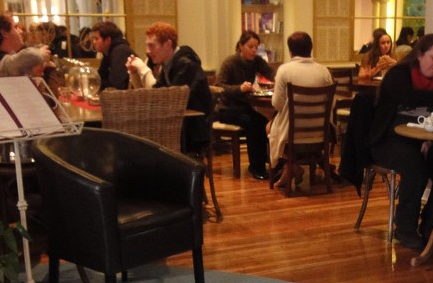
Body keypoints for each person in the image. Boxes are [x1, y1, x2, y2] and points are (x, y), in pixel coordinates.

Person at [369, 32, 433, 250]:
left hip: (428, 138)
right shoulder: (399, 75)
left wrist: (431, 139)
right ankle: (405, 228)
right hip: (390, 138)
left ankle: (432, 225)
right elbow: (412, 96)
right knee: (415, 167)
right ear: (419, 55)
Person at [126, 21, 213, 153]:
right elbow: (151, 95)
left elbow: (163, 98)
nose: (147, 51)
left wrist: (143, 69)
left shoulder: (186, 65)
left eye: (152, 46)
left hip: (191, 131)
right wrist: (134, 73)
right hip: (175, 125)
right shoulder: (168, 64)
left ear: (167, 44)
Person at [267, 31, 333, 188]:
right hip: (320, 134)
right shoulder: (323, 71)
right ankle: (291, 167)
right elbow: (331, 104)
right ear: (311, 48)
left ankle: (291, 166)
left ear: (290, 51)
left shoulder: (284, 70)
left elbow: (277, 104)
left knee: (269, 127)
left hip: (292, 135)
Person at [215, 30, 274, 180]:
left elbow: (271, 74)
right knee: (254, 125)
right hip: (226, 109)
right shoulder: (230, 62)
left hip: (243, 108)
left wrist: (279, 80)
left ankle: (266, 162)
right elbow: (219, 86)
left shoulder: (256, 61)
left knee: (265, 123)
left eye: (256, 47)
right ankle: (256, 167)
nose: (254, 50)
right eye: (250, 47)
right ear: (241, 46)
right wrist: (239, 89)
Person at [91, 20, 136, 91]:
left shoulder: (120, 52)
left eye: (96, 39)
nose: (93, 42)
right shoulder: (108, 53)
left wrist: (94, 83)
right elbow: (100, 77)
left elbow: (117, 85)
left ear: (107, 40)